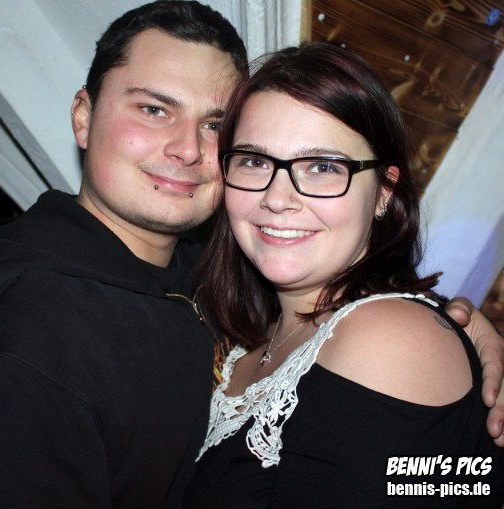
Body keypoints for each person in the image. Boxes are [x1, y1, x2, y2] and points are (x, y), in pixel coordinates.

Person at [0, 2, 501, 508]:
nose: (188, 149)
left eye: (215, 125)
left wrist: (455, 327)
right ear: (83, 115)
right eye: (153, 109)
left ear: (383, 191)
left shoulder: (211, 288)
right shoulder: (25, 337)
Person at [184, 42, 504, 507]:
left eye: (322, 167)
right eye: (255, 161)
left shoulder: (385, 341)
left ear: (384, 192)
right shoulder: (244, 338)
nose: (277, 198)